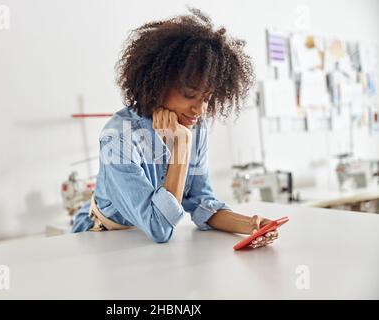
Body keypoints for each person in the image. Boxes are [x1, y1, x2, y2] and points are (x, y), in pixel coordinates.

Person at [72, 8, 278, 248]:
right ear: (159, 83)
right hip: (99, 240)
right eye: (190, 95)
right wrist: (180, 146)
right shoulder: (119, 138)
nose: (199, 110)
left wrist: (252, 225)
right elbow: (159, 227)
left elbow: (201, 203)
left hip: (142, 245)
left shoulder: (193, 127)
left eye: (207, 98)